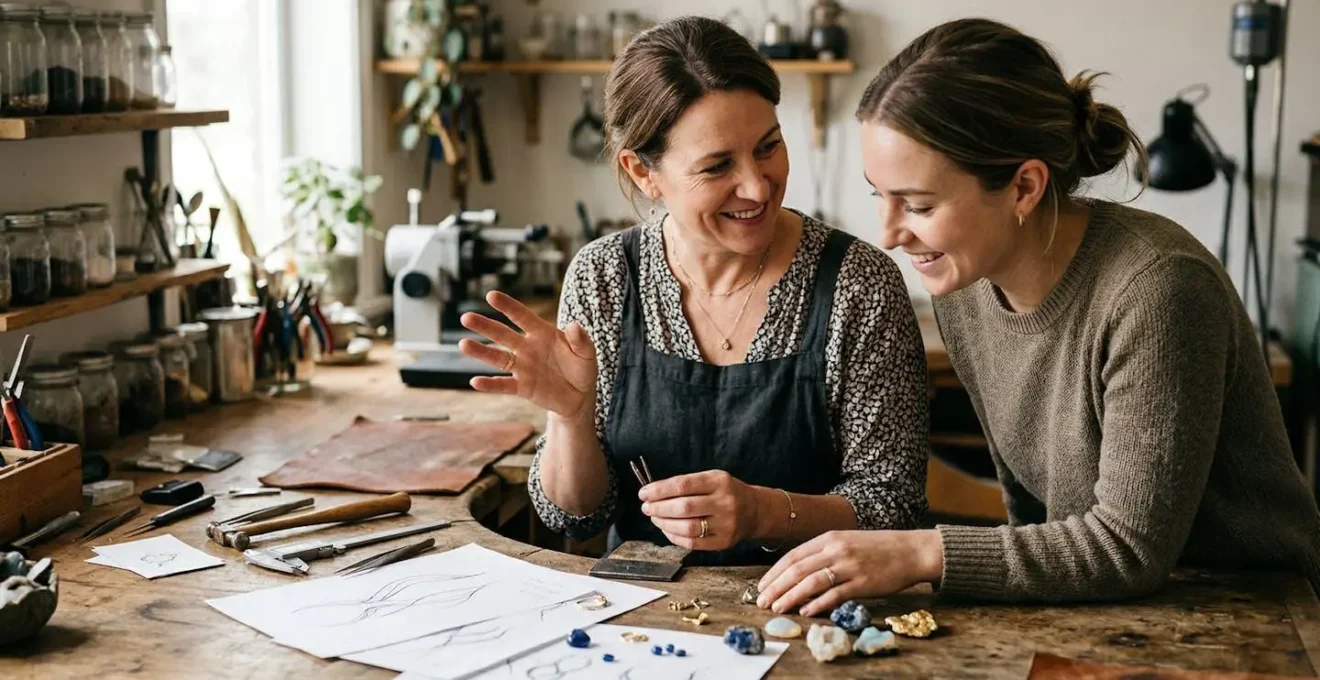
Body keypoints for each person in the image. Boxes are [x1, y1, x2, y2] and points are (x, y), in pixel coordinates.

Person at [757, 17, 1320, 609]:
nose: (891, 234)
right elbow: (1033, 508)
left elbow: (1128, 548)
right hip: (1118, 602)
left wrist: (918, 553)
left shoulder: (1160, 291)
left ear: (1024, 186)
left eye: (918, 204)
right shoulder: (965, 285)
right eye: (880, 194)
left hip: (1255, 608)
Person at [456, 16, 930, 566]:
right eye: (717, 166)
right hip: (645, 622)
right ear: (643, 172)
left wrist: (762, 513)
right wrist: (571, 418)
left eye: (768, 146)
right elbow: (575, 515)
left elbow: (894, 508)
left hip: (817, 619)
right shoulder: (604, 278)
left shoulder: (858, 285)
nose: (756, 186)